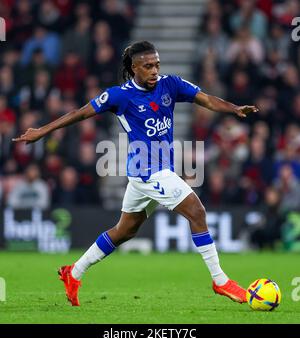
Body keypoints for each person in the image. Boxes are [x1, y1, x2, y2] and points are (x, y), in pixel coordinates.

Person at [13, 41, 258, 306]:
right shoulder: (120, 95)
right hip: (147, 172)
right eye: (148, 66)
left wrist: (233, 108)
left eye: (157, 65)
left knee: (124, 231)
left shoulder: (170, 84)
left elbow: (207, 100)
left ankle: (74, 272)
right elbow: (80, 113)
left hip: (154, 172)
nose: (154, 71)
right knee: (196, 212)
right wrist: (42, 131)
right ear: (134, 68)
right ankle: (220, 280)